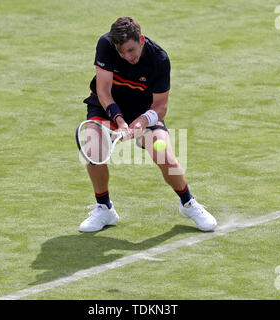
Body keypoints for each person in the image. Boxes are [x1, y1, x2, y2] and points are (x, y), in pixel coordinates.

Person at [79, 17, 217, 232]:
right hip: (107, 106)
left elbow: (160, 106)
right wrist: (120, 121)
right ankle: (104, 208)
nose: (127, 57)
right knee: (93, 150)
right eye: (122, 52)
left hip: (144, 110)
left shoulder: (159, 59)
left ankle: (188, 203)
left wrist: (139, 124)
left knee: (163, 154)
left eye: (131, 50)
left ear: (141, 39)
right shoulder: (106, 45)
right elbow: (103, 91)